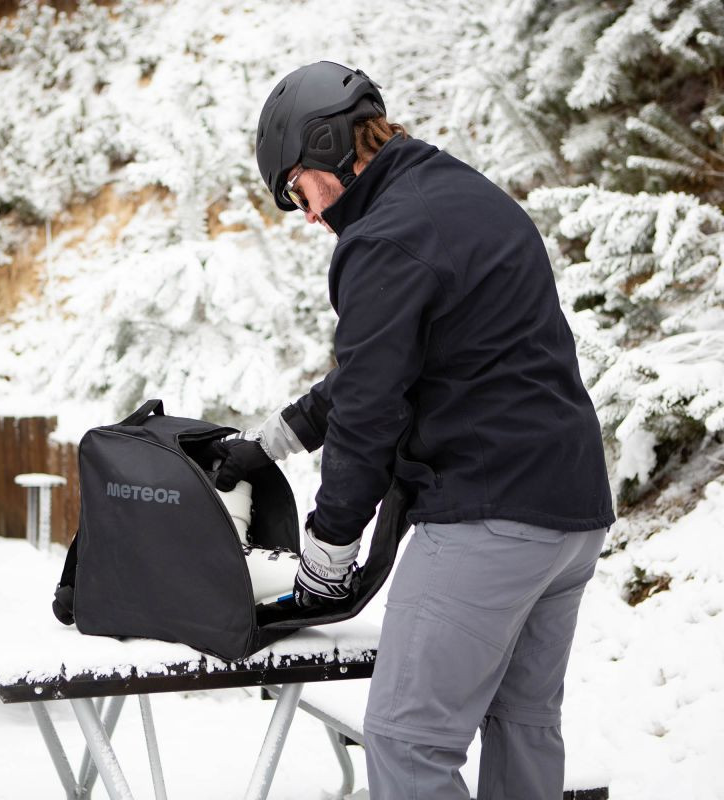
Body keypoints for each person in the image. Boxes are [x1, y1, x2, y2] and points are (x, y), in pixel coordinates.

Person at [210, 60, 615, 799]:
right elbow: (382, 370)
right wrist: (271, 443)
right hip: (572, 514)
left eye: (297, 189)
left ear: (327, 145)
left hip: (488, 517)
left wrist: (328, 552)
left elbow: (369, 412)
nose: (307, 214)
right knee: (524, 726)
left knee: (406, 744)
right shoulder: (462, 195)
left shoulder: (385, 237)